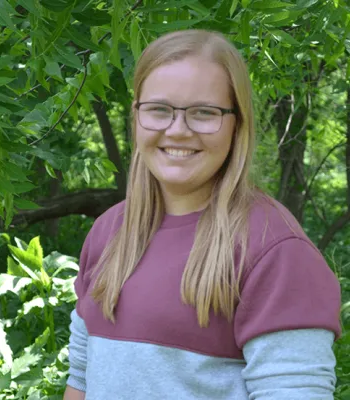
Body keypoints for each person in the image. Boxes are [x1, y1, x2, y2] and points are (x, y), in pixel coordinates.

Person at [63, 29, 341, 400]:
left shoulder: (275, 251)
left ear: (236, 124)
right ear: (136, 116)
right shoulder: (109, 231)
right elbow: (81, 378)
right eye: (159, 109)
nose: (178, 130)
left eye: (204, 113)